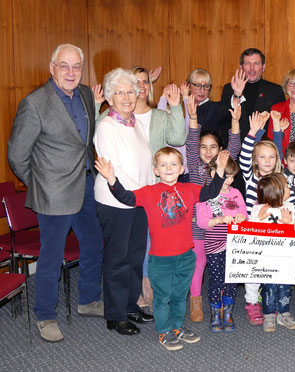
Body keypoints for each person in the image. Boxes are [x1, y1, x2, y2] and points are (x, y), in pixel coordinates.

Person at [7, 43, 104, 342]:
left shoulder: (86, 94)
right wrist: (41, 183)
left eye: (76, 66)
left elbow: (85, 142)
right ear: (52, 67)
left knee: (94, 244)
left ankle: (88, 300)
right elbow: (17, 154)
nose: (71, 72)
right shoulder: (34, 103)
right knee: (51, 257)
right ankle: (45, 315)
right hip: (54, 194)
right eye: (64, 66)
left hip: (87, 186)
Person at [94, 148, 228, 351]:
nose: (168, 168)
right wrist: (112, 178)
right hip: (161, 260)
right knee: (162, 297)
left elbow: (210, 193)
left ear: (182, 169)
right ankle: (164, 330)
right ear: (156, 170)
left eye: (173, 164)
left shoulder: (190, 189)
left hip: (185, 257)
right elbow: (127, 198)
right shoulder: (149, 192)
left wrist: (219, 170)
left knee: (179, 296)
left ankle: (177, 327)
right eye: (163, 165)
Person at [93, 68, 156, 336]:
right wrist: (142, 194)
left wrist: (152, 193)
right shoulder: (106, 126)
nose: (126, 97)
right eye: (119, 92)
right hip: (116, 202)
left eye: (130, 91)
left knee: (134, 256)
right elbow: (114, 168)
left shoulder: (137, 124)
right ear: (109, 96)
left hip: (140, 202)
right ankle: (116, 315)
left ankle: (131, 305)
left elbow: (147, 164)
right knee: (117, 259)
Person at [238, 111, 295, 326]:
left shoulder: (282, 179)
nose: (267, 161)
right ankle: (252, 303)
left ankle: (279, 306)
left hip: (278, 234)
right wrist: (251, 133)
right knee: (253, 272)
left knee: (278, 270)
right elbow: (243, 156)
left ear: (277, 159)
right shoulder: (251, 178)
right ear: (255, 161)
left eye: (271, 156)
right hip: (254, 231)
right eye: (262, 157)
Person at [184, 96, 241, 322]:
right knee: (199, 263)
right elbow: (190, 143)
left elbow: (234, 145)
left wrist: (235, 120)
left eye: (213, 147)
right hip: (199, 225)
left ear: (220, 150)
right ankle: (195, 301)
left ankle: (222, 303)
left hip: (222, 228)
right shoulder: (196, 167)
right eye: (204, 147)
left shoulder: (224, 165)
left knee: (223, 267)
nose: (208, 152)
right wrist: (194, 117)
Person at [195, 158, 247, 333]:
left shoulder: (236, 193)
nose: (229, 181)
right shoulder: (206, 194)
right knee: (217, 281)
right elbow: (202, 222)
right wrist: (219, 220)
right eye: (226, 176)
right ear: (213, 173)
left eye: (232, 176)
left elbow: (244, 214)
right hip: (214, 244)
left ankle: (228, 314)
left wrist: (241, 218)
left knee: (231, 280)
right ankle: (215, 314)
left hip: (234, 244)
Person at [250, 173, 295, 332]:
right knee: (268, 287)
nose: (289, 188)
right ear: (276, 191)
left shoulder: (289, 207)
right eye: (286, 186)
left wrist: (288, 223)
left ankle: (284, 312)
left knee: (285, 286)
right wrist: (259, 219)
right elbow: (249, 233)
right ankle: (269, 313)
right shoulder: (258, 209)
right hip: (266, 260)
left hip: (284, 258)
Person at [220, 48, 286, 143]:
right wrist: (237, 95)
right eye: (247, 63)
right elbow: (224, 119)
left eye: (256, 63)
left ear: (263, 67)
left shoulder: (275, 90)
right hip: (235, 148)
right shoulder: (229, 89)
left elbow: (280, 123)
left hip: (263, 149)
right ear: (241, 67)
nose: (251, 68)